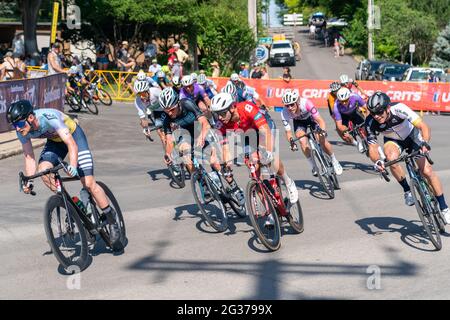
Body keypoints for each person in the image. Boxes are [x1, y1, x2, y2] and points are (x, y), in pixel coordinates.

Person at [6, 100, 122, 247]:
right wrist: (29, 180)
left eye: (20, 124)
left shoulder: (49, 117)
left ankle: (111, 220)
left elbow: (72, 145)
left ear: (30, 118)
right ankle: (75, 206)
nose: (17, 128)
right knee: (44, 171)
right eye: (14, 125)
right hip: (55, 142)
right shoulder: (21, 131)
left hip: (74, 137)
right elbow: (29, 157)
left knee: (88, 183)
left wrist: (73, 166)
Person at [210, 92, 299, 220]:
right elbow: (225, 148)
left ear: (232, 107)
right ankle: (270, 212)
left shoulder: (247, 107)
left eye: (222, 113)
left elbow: (265, 131)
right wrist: (227, 166)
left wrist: (268, 151)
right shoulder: (221, 124)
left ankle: (288, 182)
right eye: (217, 114)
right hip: (247, 136)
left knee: (269, 157)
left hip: (263, 127)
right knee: (254, 172)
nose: (220, 117)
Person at [366, 91, 450, 222]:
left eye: (379, 112)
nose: (376, 116)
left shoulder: (399, 108)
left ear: (387, 108)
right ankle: (407, 190)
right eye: (373, 113)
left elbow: (423, 126)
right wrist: (377, 161)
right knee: (390, 158)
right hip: (393, 141)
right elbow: (372, 147)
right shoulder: (370, 122)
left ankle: (444, 208)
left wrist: (425, 143)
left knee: (427, 171)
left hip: (413, 137)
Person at [281, 91, 343, 177]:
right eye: (287, 105)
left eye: (292, 104)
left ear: (297, 101)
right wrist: (292, 142)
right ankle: (313, 166)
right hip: (299, 123)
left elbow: (320, 120)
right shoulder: (284, 112)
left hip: (312, 119)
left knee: (321, 139)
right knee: (302, 141)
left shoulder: (306, 103)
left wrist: (323, 131)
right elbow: (288, 132)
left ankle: (334, 160)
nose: (290, 108)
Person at [158, 87, 211, 175]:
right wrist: (168, 153)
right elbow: (169, 140)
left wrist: (202, 137)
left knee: (213, 161)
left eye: (172, 109)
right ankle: (200, 179)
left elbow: (205, 123)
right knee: (186, 158)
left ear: (178, 103)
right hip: (186, 133)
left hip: (199, 128)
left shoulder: (187, 103)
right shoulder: (166, 118)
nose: (170, 113)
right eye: (166, 111)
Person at [333, 87, 367, 153]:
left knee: (365, 126)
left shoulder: (355, 96)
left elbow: (366, 108)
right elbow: (339, 125)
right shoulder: (336, 106)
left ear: (349, 97)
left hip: (354, 112)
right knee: (344, 134)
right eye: (342, 101)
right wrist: (345, 131)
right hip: (344, 116)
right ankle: (356, 143)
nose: (344, 103)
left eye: (346, 100)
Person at [133, 79, 164, 145]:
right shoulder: (137, 101)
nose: (141, 96)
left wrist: (152, 107)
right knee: (162, 135)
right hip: (155, 113)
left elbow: (165, 100)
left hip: (166, 109)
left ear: (147, 91)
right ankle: (169, 154)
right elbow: (143, 118)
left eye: (143, 93)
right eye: (139, 94)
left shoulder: (155, 91)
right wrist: (146, 129)